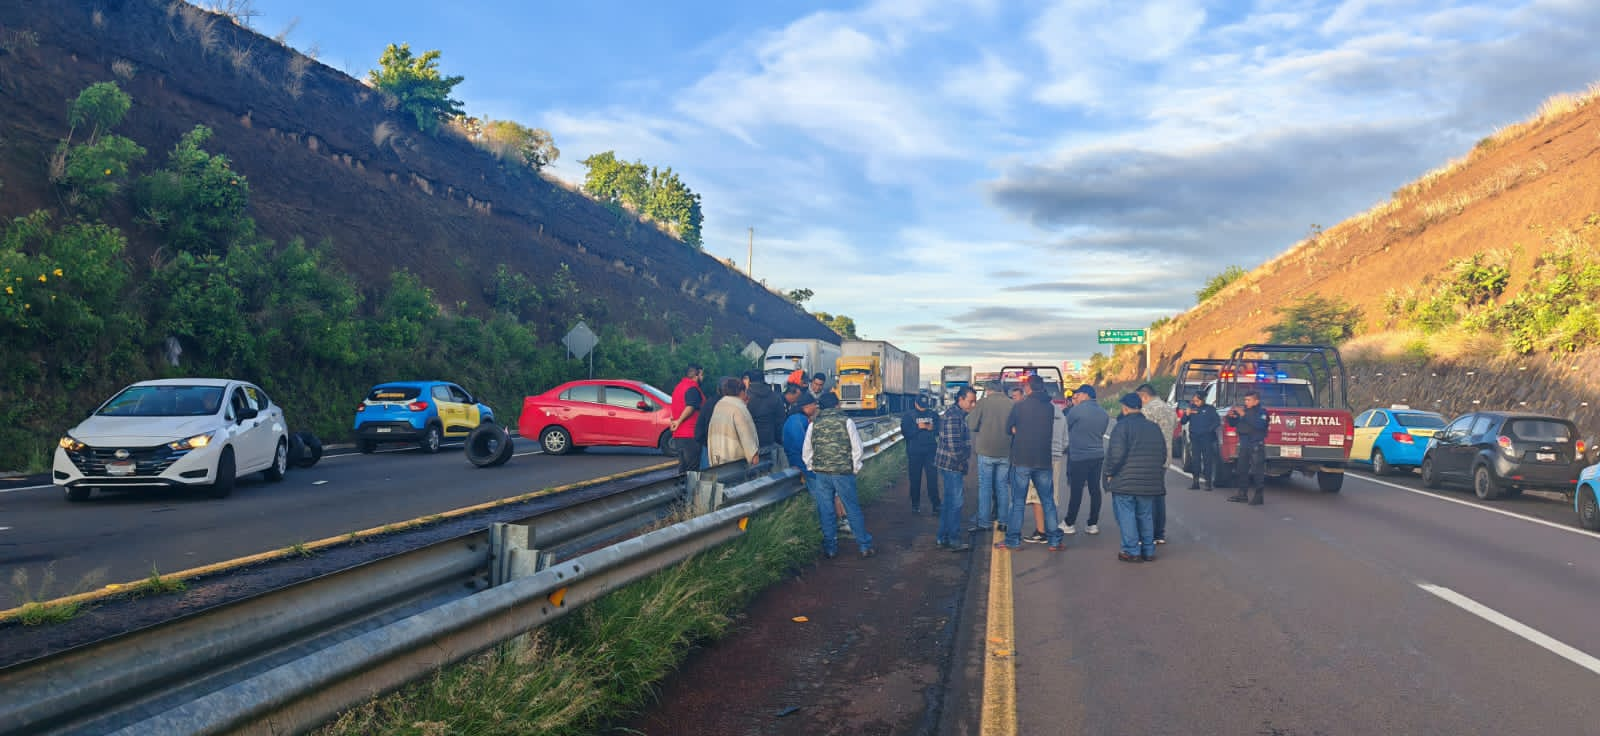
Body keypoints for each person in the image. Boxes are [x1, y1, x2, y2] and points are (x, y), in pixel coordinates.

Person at [803, 392, 875, 558]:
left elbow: (807, 450)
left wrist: (812, 467)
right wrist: (855, 468)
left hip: (822, 473)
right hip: (843, 473)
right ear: (837, 405)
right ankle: (864, 545)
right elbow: (857, 448)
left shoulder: (814, 424)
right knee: (851, 508)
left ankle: (830, 547)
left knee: (826, 509)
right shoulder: (846, 421)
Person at [997, 376, 1065, 551]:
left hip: (1022, 459)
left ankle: (1013, 540)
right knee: (1048, 501)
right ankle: (1054, 540)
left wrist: (1018, 431)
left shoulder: (1020, 406)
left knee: (1018, 502)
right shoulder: (1050, 408)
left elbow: (1008, 429)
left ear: (1028, 388)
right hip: (1043, 460)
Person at [1105, 393, 1169, 562]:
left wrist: (1110, 473)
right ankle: (1148, 550)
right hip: (1148, 481)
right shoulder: (1153, 427)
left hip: (1125, 480)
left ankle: (1131, 550)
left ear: (1125, 408)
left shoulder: (1121, 427)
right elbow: (1163, 454)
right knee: (1145, 515)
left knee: (1126, 515)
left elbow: (1116, 455)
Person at [1062, 384, 1109, 535]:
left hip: (1079, 456)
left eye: (1078, 394)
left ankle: (1070, 522)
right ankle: (1093, 524)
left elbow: (1066, 427)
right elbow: (1101, 432)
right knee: (1095, 489)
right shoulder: (1103, 412)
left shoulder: (1077, 410)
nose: (1076, 397)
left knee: (1076, 491)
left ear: (1086, 395)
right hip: (1097, 455)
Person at [968, 380, 1016, 532]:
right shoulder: (1011, 404)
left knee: (985, 487)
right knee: (1002, 486)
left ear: (988, 390)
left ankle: (984, 521)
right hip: (1005, 451)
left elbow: (972, 425)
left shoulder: (983, 403)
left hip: (986, 451)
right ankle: (1003, 521)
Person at [935, 386, 977, 551]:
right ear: (960, 399)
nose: (973, 405)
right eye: (970, 401)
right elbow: (954, 446)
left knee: (949, 502)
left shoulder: (957, 414)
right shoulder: (954, 417)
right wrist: (961, 462)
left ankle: (943, 536)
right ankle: (953, 538)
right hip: (952, 465)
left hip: (948, 464)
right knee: (956, 503)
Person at [1136, 383, 1177, 545]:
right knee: (1159, 495)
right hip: (1165, 457)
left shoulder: (1147, 410)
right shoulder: (1169, 409)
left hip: (1150, 457)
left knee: (1147, 497)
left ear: (1143, 396)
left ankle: (1149, 534)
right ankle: (1159, 533)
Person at [1226, 389, 1270, 505]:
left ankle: (1258, 495)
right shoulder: (1244, 411)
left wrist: (1244, 415)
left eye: (1249, 400)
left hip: (1256, 444)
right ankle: (1242, 493)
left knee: (1257, 471)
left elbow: (1259, 425)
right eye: (1245, 400)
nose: (1246, 402)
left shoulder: (1262, 412)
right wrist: (1231, 417)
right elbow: (1233, 424)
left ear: (1256, 401)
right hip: (1244, 444)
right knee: (1241, 469)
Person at [901, 394, 941, 515]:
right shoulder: (908, 416)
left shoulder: (933, 415)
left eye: (925, 406)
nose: (923, 408)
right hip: (914, 452)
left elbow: (939, 430)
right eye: (921, 405)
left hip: (931, 452)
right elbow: (905, 433)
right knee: (915, 479)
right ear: (915, 403)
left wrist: (932, 428)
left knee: (932, 479)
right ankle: (915, 505)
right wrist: (918, 427)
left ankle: (936, 505)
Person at [707, 377, 760, 467]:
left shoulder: (719, 405)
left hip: (717, 459)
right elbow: (747, 437)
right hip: (734, 463)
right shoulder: (739, 408)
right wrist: (754, 457)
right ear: (742, 391)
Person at [668, 364, 706, 472]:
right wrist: (679, 421)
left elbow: (674, 407)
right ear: (697, 374)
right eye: (702, 374)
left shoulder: (679, 387)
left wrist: (674, 421)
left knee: (683, 467)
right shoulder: (692, 388)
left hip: (679, 435)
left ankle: (682, 488)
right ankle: (690, 489)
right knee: (692, 469)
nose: (702, 378)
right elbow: (691, 406)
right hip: (690, 434)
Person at [1182, 391, 1222, 490]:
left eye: (1197, 400)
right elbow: (1183, 421)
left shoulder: (1210, 409)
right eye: (1194, 400)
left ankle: (1208, 483)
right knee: (1195, 460)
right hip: (1195, 437)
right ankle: (1195, 482)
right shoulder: (1191, 408)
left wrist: (1208, 430)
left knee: (1207, 460)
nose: (1195, 402)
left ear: (1203, 400)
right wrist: (1186, 414)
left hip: (1207, 438)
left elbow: (1217, 421)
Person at [743, 369, 787, 456]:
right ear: (763, 379)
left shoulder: (744, 397)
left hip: (750, 445)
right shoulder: (774, 396)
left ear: (750, 380)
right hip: (769, 442)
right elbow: (780, 422)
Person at [783, 393, 818, 488]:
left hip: (798, 460)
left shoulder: (797, 418)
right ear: (806, 406)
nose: (816, 408)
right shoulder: (798, 420)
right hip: (801, 462)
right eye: (814, 405)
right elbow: (803, 445)